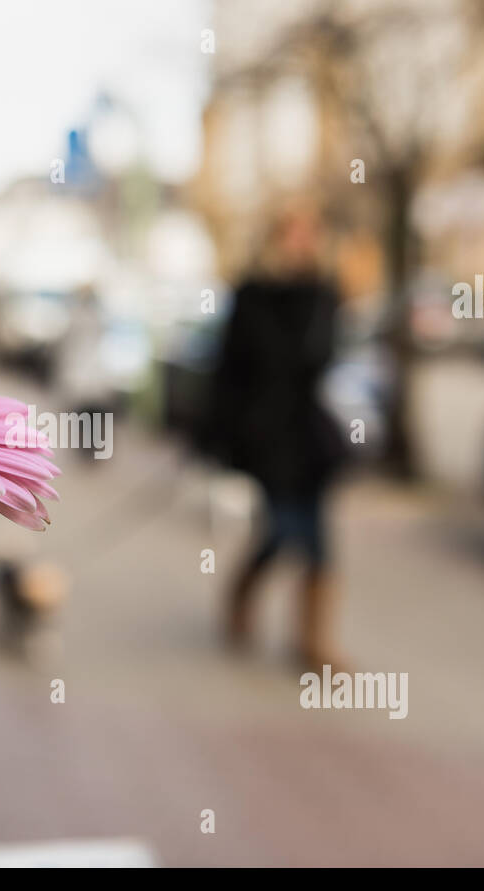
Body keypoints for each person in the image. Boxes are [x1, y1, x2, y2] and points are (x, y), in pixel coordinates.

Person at [210, 207, 348, 669]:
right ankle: (246, 595)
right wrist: (218, 436)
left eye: (307, 235)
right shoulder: (251, 295)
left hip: (307, 438)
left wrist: (307, 294)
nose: (299, 244)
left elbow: (321, 356)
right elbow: (228, 369)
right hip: (264, 437)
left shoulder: (322, 294)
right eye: (291, 234)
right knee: (287, 529)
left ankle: (311, 642)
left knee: (311, 536)